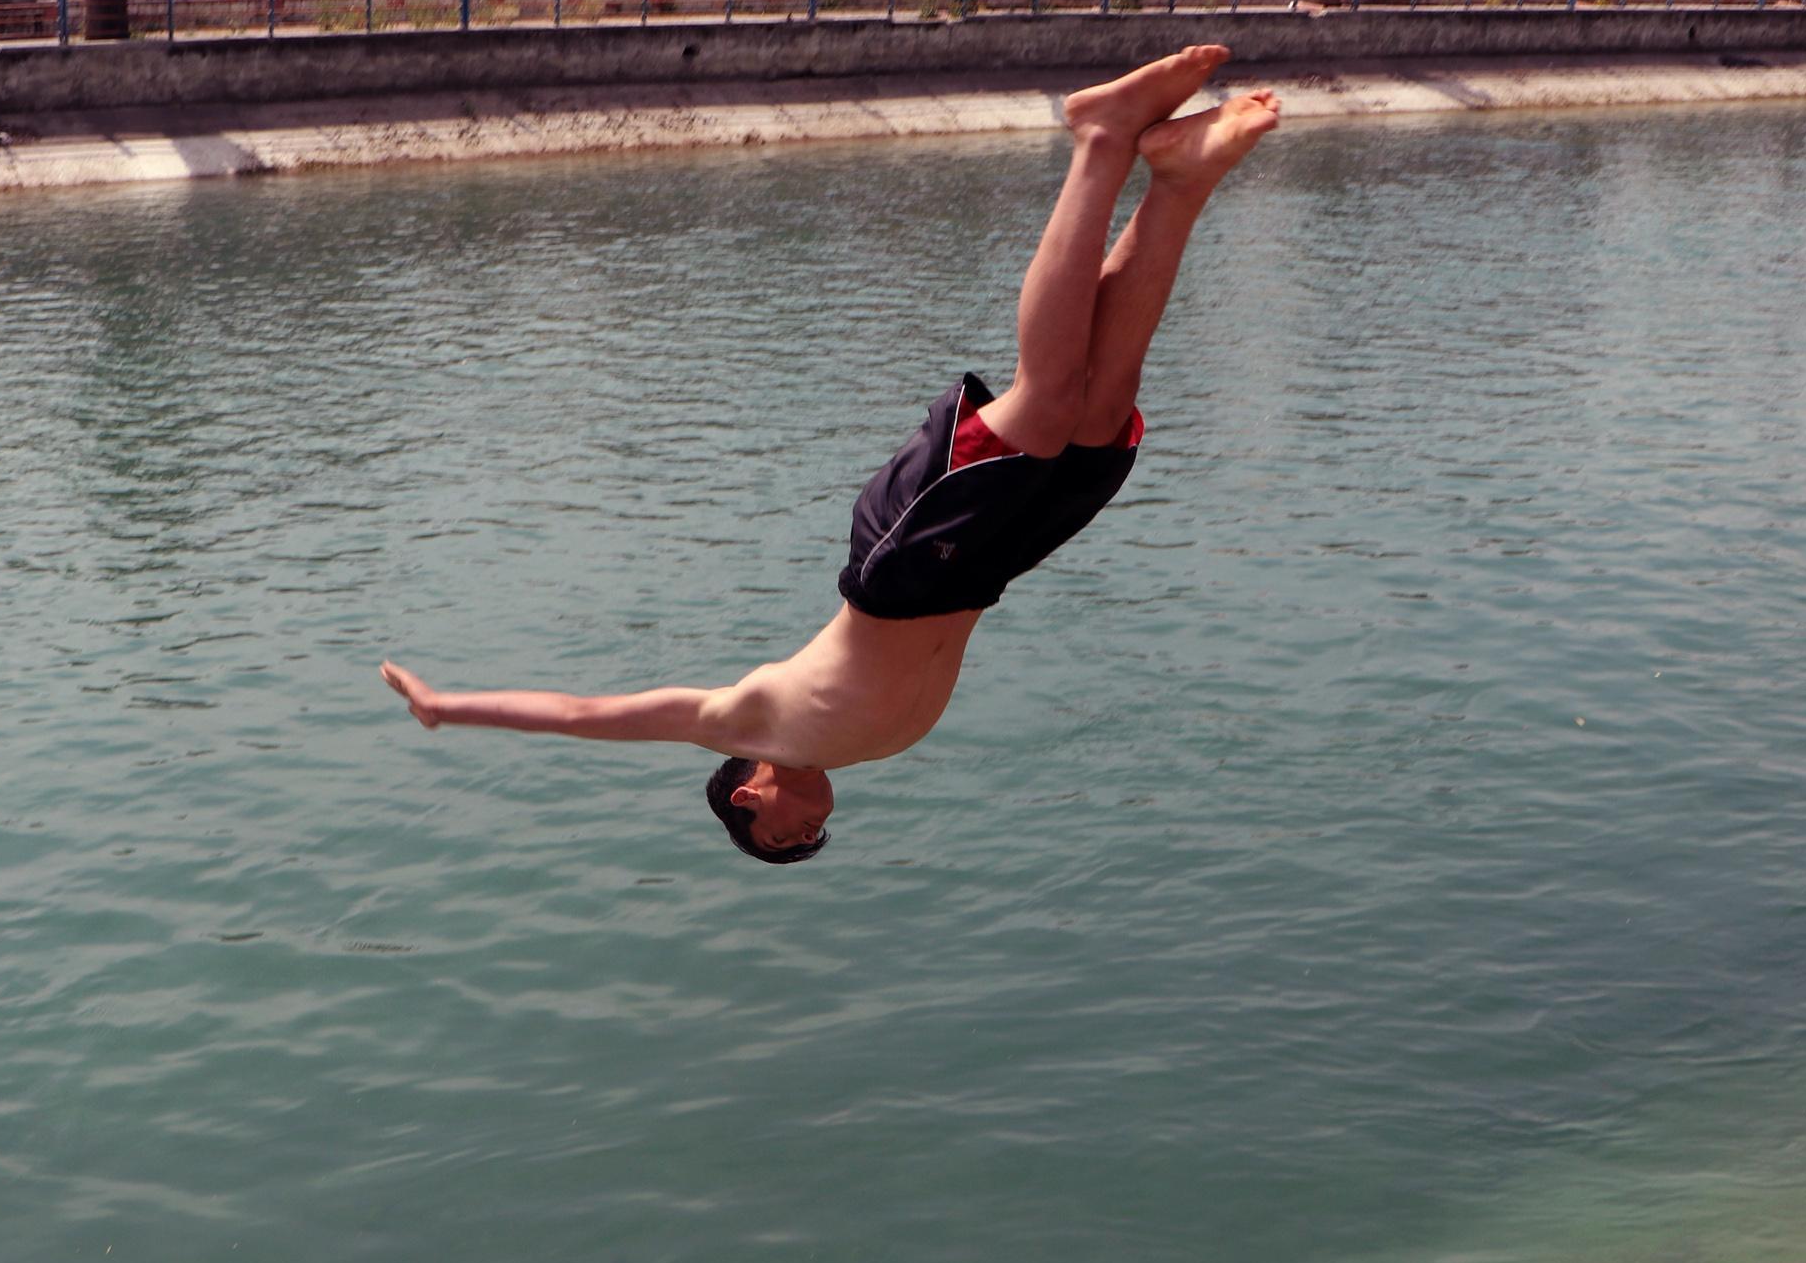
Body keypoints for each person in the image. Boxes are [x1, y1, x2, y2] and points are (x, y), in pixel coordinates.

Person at [380, 47, 1280, 863]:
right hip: (985, 571)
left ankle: (1100, 139)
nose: (810, 829)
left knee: (1044, 401)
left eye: (784, 834)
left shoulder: (751, 719)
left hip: (902, 568)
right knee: (1098, 422)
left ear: (747, 794)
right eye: (812, 837)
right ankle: (1178, 184)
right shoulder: (860, 747)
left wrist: (448, 707)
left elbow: (586, 717)